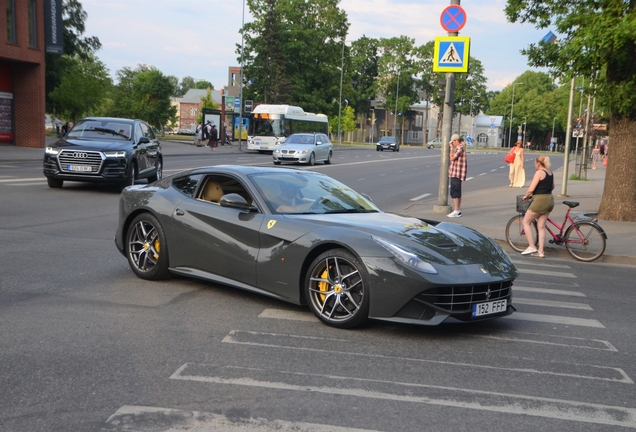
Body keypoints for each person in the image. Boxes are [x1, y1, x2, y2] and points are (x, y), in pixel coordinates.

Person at [521, 155, 554, 258]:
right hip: (550, 199)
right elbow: (552, 187)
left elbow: (531, 189)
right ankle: (541, 251)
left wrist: (526, 196)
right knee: (541, 226)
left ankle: (532, 246)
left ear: (538, 163)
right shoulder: (550, 172)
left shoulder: (539, 172)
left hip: (540, 200)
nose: (534, 165)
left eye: (535, 163)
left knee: (526, 222)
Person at [447, 134, 466, 218]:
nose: (452, 143)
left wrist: (451, 148)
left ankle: (456, 210)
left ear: (456, 141)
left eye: (453, 142)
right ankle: (457, 210)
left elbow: (452, 158)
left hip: (457, 174)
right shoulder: (459, 148)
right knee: (457, 192)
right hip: (455, 173)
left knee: (455, 192)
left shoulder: (460, 148)